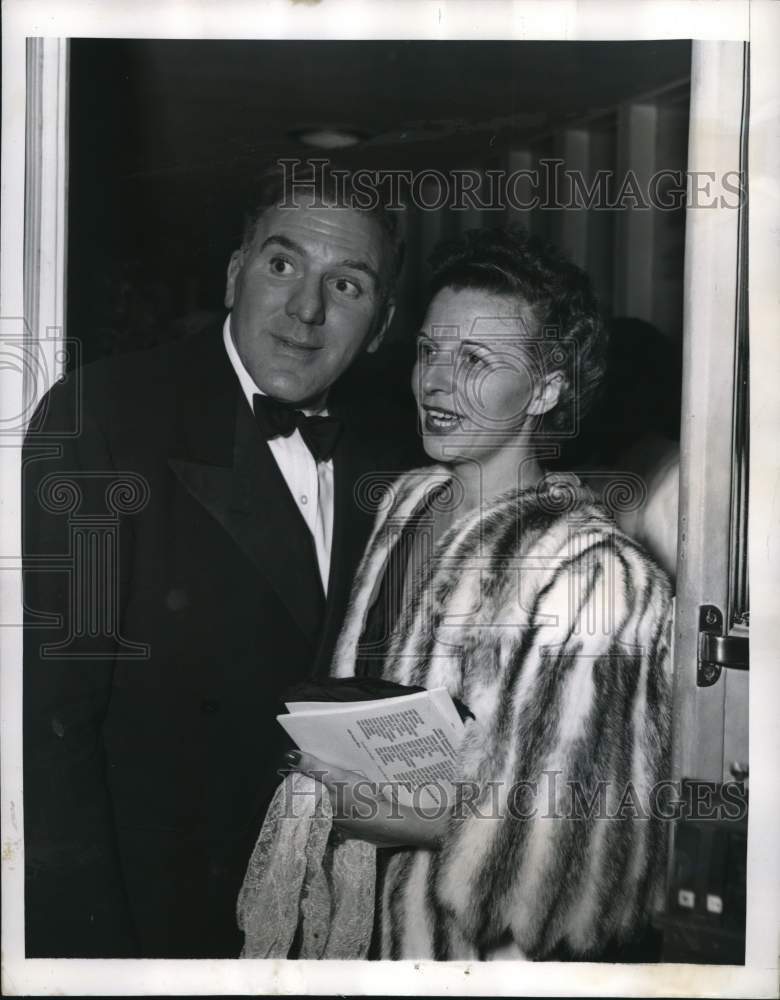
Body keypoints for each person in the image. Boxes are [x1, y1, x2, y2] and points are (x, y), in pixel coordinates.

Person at [22, 161, 407, 958]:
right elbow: (51, 721)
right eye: (282, 264)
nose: (305, 310)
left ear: (382, 321)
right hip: (152, 912)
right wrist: (86, 953)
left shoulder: (397, 461)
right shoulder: (107, 417)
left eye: (347, 286)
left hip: (323, 918)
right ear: (236, 275)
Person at [280, 226, 673, 961]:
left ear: (547, 389)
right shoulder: (406, 504)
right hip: (355, 932)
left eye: (475, 361)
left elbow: (588, 851)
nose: (435, 383)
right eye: (429, 351)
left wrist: (415, 821)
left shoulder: (594, 575)